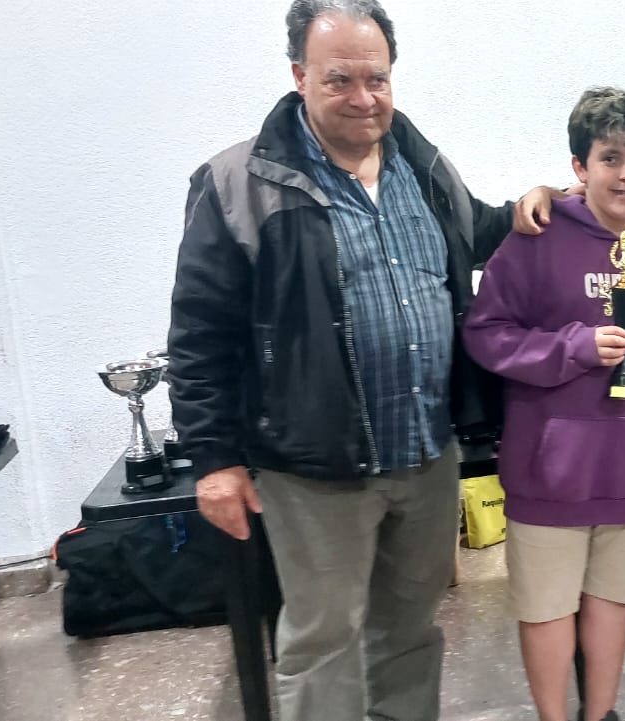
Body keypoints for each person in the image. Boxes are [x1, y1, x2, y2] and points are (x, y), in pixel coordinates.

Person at [167, 2, 516, 719]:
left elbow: (478, 232)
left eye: (377, 79)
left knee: (411, 632)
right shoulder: (240, 183)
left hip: (425, 455)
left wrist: (542, 204)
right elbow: (200, 331)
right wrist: (213, 458)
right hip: (313, 469)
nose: (364, 98)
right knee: (323, 639)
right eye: (340, 80)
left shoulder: (424, 168)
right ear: (299, 75)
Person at [464, 87, 625, 721]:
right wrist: (576, 347)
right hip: (552, 468)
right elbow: (485, 333)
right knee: (548, 608)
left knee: (615, 605)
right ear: (579, 167)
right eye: (611, 158)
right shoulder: (538, 235)